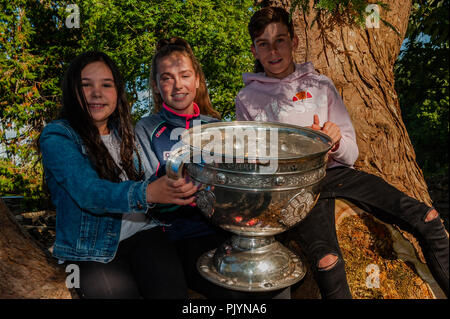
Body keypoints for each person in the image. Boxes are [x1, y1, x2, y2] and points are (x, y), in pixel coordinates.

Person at [235, 6, 449, 299]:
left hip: (337, 174)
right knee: (327, 261)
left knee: (429, 218)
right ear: (254, 51)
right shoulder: (247, 98)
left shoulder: (320, 86)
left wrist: (334, 141)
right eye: (264, 44)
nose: (273, 51)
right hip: (296, 189)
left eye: (280, 40)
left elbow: (351, 153)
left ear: (294, 41)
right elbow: (253, 164)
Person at [135, 37, 289, 299]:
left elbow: (234, 186)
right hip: (180, 236)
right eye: (167, 78)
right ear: (156, 85)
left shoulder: (217, 126)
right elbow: (151, 194)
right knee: (234, 292)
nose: (177, 85)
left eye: (184, 75)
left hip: (227, 231)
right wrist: (179, 183)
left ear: (197, 80)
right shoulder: (146, 129)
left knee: (275, 282)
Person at [38, 51, 198, 299]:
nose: (96, 93)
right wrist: (149, 192)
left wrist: (177, 184)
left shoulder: (123, 132)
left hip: (144, 233)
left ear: (117, 91)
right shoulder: (57, 136)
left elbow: (146, 180)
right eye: (85, 85)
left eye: (106, 84)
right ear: (72, 91)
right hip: (91, 249)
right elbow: (88, 192)